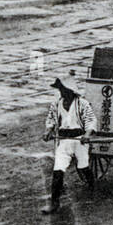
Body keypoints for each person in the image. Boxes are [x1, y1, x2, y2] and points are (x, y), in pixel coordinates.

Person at [42, 78, 98, 214]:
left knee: (83, 166)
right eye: (60, 89)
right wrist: (48, 131)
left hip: (79, 140)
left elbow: (91, 120)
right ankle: (54, 203)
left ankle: (92, 186)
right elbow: (51, 120)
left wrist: (88, 134)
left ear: (71, 91)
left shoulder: (82, 104)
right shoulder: (56, 104)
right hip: (63, 140)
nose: (62, 92)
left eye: (64, 89)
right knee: (58, 170)